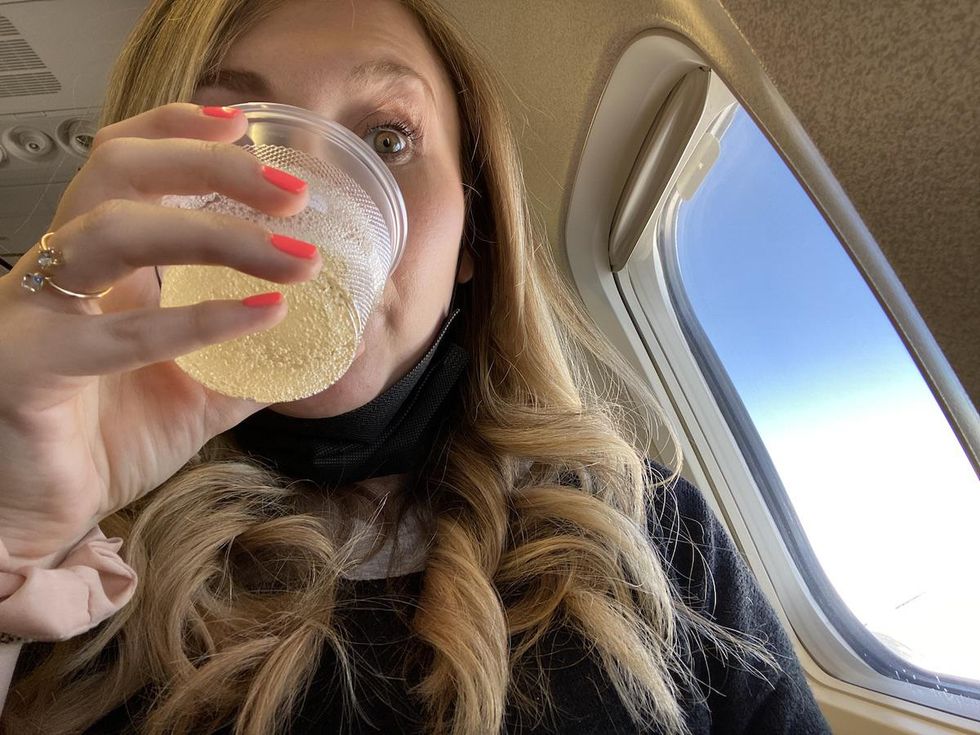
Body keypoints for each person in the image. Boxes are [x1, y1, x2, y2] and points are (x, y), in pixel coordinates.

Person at [0, 0, 832, 733]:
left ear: (472, 236)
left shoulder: (646, 533)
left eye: (386, 138)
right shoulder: (65, 571)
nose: (308, 201)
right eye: (242, 136)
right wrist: (15, 525)